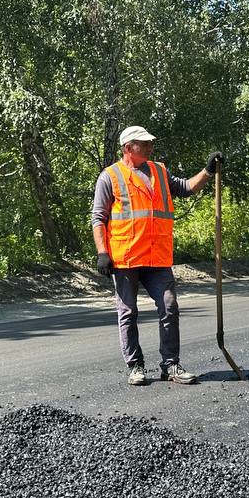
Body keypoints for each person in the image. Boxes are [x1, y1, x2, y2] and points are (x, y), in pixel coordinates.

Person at [92, 125, 222, 386]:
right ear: (129, 148)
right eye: (145, 143)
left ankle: (171, 365)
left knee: (169, 307)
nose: (151, 146)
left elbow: (186, 188)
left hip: (157, 257)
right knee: (128, 312)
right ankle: (135, 366)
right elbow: (99, 218)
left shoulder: (160, 172)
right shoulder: (111, 177)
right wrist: (102, 252)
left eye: (150, 142)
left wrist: (208, 171)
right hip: (125, 257)